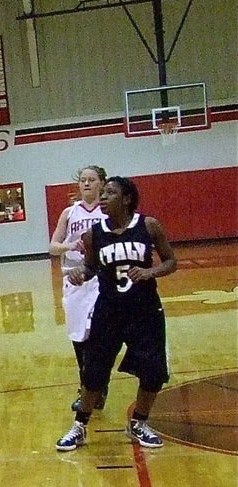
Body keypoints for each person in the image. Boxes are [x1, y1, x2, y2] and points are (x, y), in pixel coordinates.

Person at [56, 176, 177, 452]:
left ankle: (138, 423)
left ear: (127, 199)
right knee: (94, 371)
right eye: (103, 193)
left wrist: (150, 271)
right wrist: (79, 274)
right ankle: (79, 426)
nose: (103, 197)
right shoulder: (93, 235)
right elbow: (90, 269)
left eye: (110, 192)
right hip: (109, 310)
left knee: (153, 371)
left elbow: (171, 261)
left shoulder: (148, 226)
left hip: (145, 310)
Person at [49, 165, 109, 412]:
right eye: (83, 180)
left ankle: (97, 387)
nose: (86, 183)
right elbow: (53, 247)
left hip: (101, 278)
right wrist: (70, 246)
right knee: (79, 337)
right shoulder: (69, 212)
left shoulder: (108, 212)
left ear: (101, 184)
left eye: (91, 180)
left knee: (98, 334)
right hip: (73, 280)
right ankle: (86, 385)